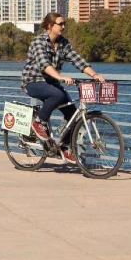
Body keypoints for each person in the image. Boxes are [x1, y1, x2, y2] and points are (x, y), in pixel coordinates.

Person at [22, 12, 105, 162]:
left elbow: (78, 61)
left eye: (64, 23)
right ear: (50, 26)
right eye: (60, 24)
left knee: (73, 114)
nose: (63, 27)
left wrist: (94, 75)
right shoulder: (38, 42)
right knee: (57, 95)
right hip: (33, 81)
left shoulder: (63, 43)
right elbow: (44, 65)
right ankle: (39, 122)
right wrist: (60, 77)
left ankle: (64, 146)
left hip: (51, 83)